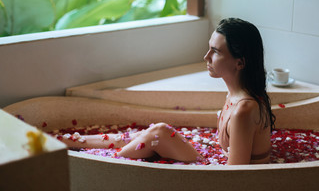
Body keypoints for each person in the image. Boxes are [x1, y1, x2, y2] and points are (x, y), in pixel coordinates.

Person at [60, 18, 275, 165]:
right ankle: (65, 141)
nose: (206, 56)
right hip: (215, 164)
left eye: (216, 52)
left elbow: (236, 178)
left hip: (221, 176)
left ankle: (104, 165)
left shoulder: (244, 110)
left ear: (240, 63)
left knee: (159, 133)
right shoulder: (237, 96)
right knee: (145, 135)